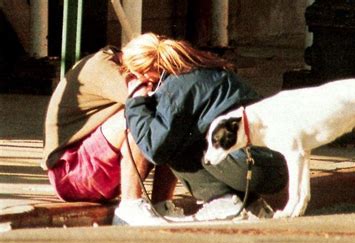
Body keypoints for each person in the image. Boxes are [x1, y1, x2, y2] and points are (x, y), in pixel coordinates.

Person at [121, 33, 288, 221]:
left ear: (146, 72)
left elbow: (154, 148)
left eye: (134, 74)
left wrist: (136, 100)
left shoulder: (176, 88)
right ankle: (249, 204)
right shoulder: (204, 69)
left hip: (249, 164)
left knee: (175, 144)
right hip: (275, 165)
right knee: (199, 132)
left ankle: (221, 200)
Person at [41, 46, 182, 226]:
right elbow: (144, 103)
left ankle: (162, 205)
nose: (158, 82)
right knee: (142, 116)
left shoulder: (124, 65)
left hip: (96, 172)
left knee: (174, 120)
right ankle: (130, 207)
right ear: (142, 65)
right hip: (69, 174)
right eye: (158, 75)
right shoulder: (103, 67)